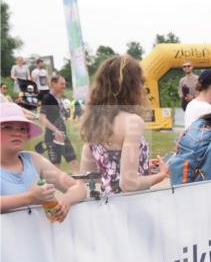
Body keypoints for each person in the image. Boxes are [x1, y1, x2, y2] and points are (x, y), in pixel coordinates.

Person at [79, 55, 170, 195]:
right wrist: (161, 175)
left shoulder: (94, 122)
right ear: (132, 86)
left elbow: (88, 178)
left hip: (107, 206)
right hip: (131, 206)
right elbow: (128, 184)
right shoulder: (132, 121)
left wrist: (142, 166)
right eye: (141, 82)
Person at [1, 102, 86, 216]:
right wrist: (30, 197)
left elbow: (79, 188)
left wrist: (65, 202)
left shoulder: (33, 160)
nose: (17, 133)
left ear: (27, 135)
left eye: (22, 129)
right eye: (7, 127)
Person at [37, 74, 79, 172]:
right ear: (53, 84)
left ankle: (80, 185)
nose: (64, 86)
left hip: (62, 136)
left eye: (65, 84)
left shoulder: (58, 98)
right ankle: (58, 186)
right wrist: (56, 130)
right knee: (56, 167)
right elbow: (42, 118)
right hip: (52, 137)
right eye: (62, 84)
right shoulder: (47, 98)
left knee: (73, 161)